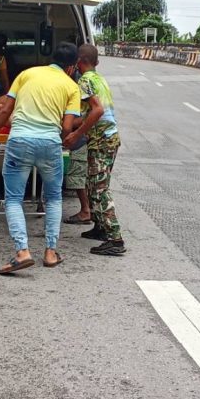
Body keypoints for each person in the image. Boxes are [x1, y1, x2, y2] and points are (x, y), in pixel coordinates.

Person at [0, 42, 81, 274]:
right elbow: (67, 126)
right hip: (50, 144)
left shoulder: (27, 74)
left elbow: (5, 110)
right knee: (54, 198)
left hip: (19, 141)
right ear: (71, 67)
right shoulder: (72, 86)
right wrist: (57, 138)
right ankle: (50, 252)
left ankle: (22, 252)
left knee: (13, 199)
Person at [64, 44, 125, 256]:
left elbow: (97, 111)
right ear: (96, 62)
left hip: (101, 141)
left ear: (78, 61)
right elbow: (91, 112)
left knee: (99, 189)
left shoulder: (85, 81)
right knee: (92, 185)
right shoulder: (99, 79)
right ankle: (100, 228)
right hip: (108, 139)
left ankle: (115, 239)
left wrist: (76, 134)